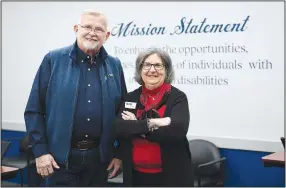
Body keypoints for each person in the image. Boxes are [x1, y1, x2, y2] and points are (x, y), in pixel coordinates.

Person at [24, 10, 126, 186]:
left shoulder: (114, 65)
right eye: (87, 27)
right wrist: (40, 152)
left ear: (107, 35)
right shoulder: (53, 60)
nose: (92, 33)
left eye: (99, 29)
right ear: (76, 28)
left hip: (99, 162)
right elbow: (34, 110)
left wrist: (119, 153)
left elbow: (122, 112)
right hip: (59, 161)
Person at [113, 47, 194, 186]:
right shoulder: (130, 97)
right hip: (135, 175)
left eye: (158, 65)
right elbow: (120, 127)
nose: (152, 70)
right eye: (147, 65)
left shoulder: (178, 97)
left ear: (166, 70)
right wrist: (155, 122)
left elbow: (178, 131)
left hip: (172, 175)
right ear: (140, 69)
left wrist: (136, 125)